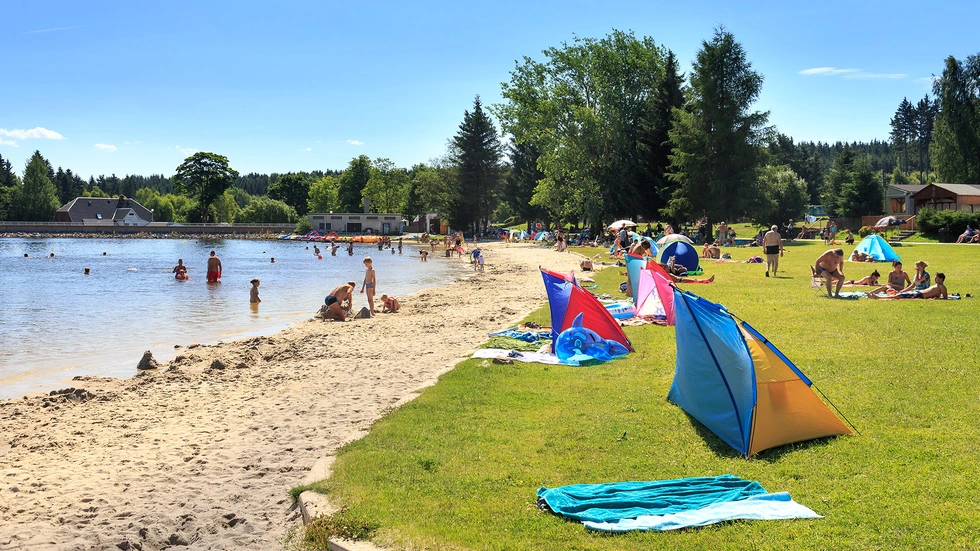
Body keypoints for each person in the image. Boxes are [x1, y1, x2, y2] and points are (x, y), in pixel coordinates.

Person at [871, 273, 948, 300]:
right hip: (918, 292)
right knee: (899, 294)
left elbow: (945, 298)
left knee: (899, 296)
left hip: (920, 295)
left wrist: (938, 298)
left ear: (941, 279)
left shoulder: (942, 287)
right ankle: (877, 296)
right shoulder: (937, 285)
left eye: (936, 277)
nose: (935, 278)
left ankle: (878, 297)